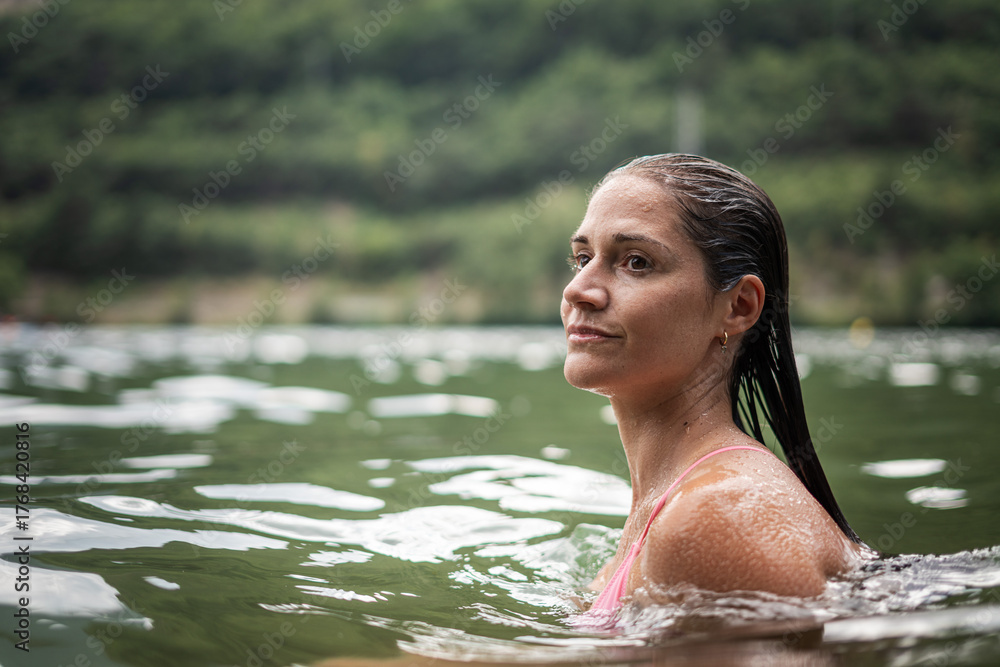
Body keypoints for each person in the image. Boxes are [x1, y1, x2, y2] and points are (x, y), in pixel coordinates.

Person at [561, 154, 870, 615]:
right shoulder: (677, 507)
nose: (579, 289)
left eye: (637, 262)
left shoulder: (718, 513)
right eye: (583, 258)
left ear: (738, 307)